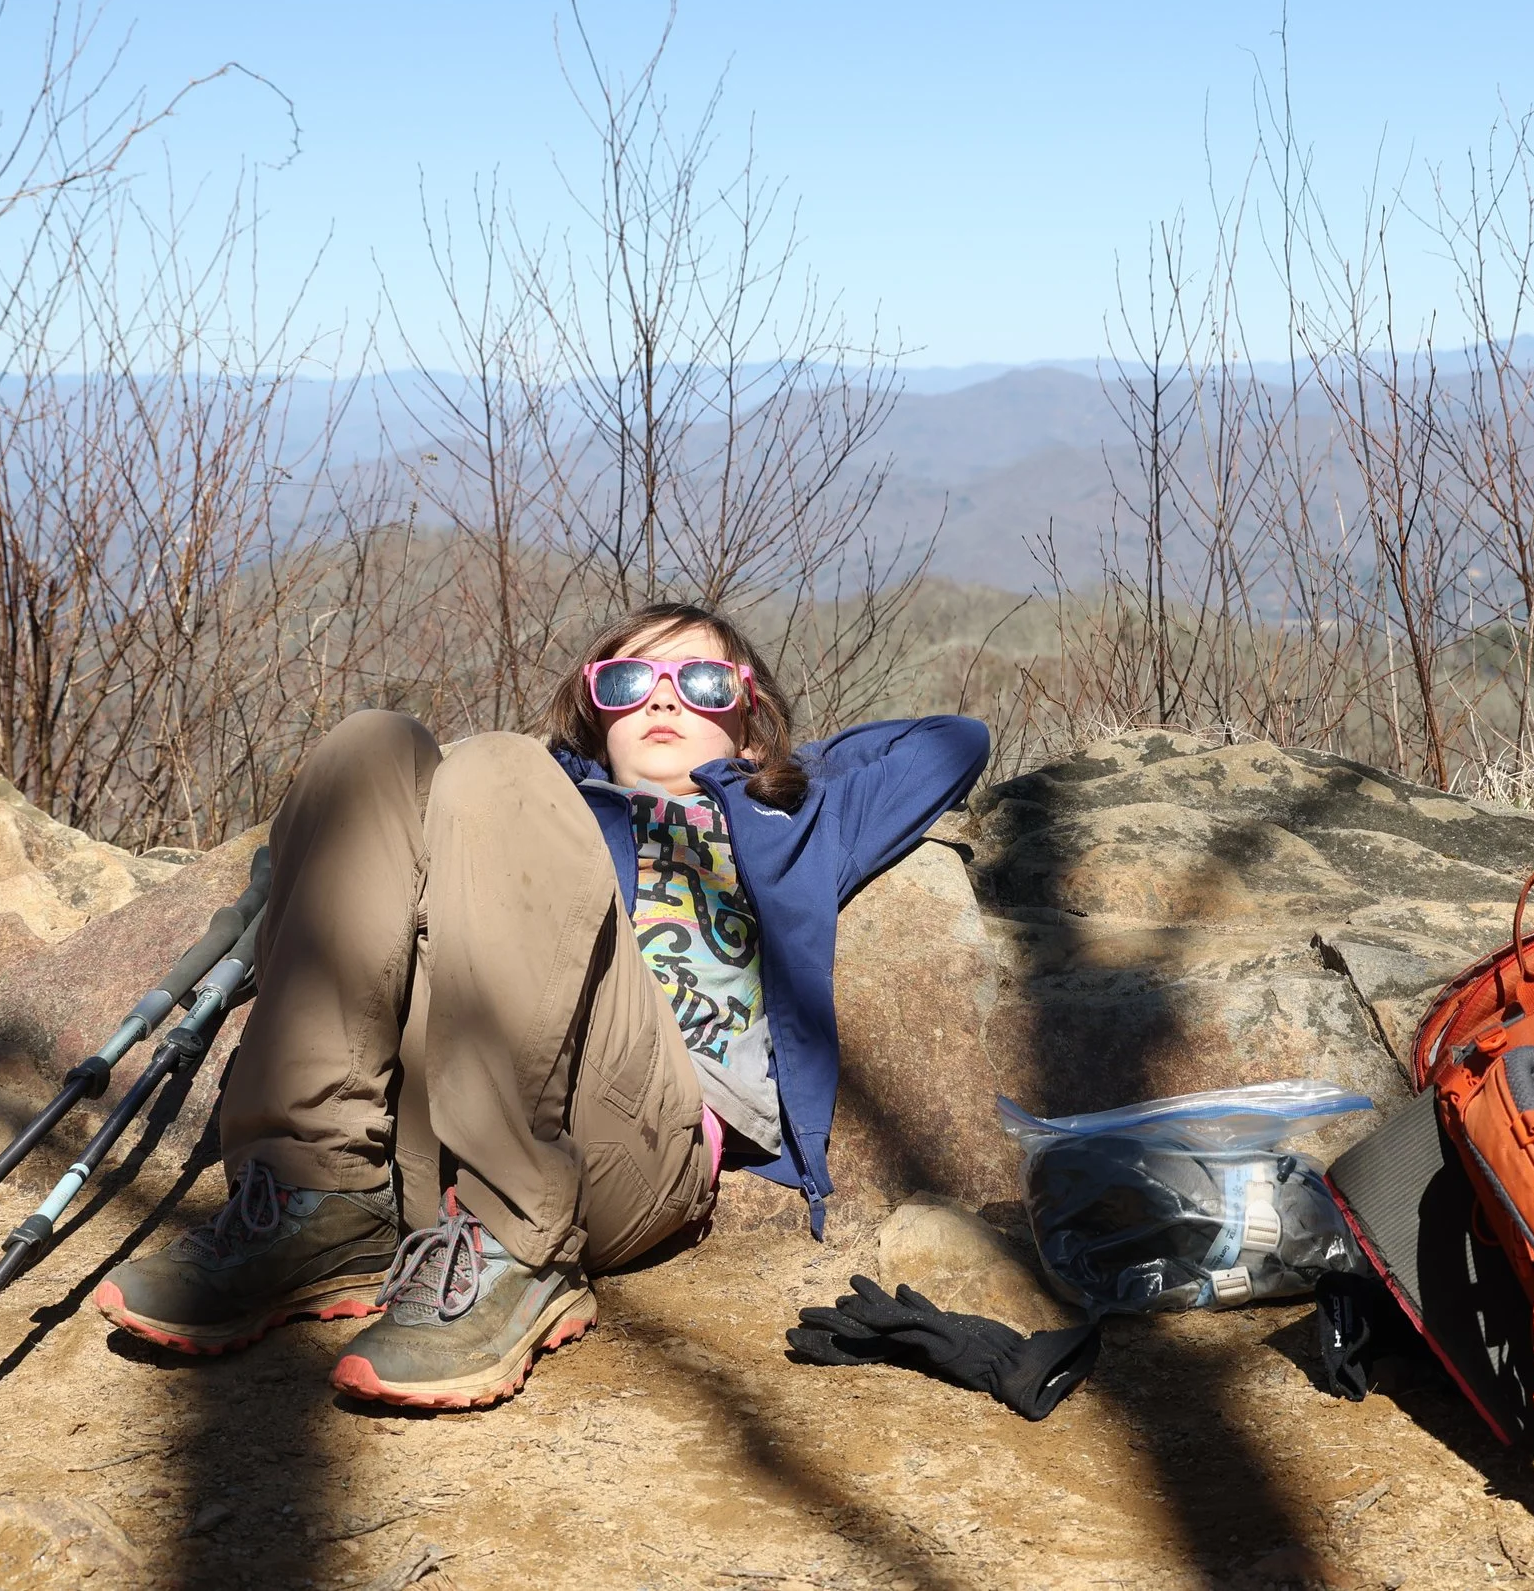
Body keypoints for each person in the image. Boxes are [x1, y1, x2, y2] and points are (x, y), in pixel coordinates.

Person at [93, 602, 989, 1410]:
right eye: (630, 681)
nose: (665, 701)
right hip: (432, 1130)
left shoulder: (796, 821)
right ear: (596, 710)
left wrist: (764, 769)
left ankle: (516, 1253)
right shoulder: (545, 800)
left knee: (495, 765)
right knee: (371, 744)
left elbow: (953, 741)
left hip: (631, 1147)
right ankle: (320, 1199)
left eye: (705, 682)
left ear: (746, 714)